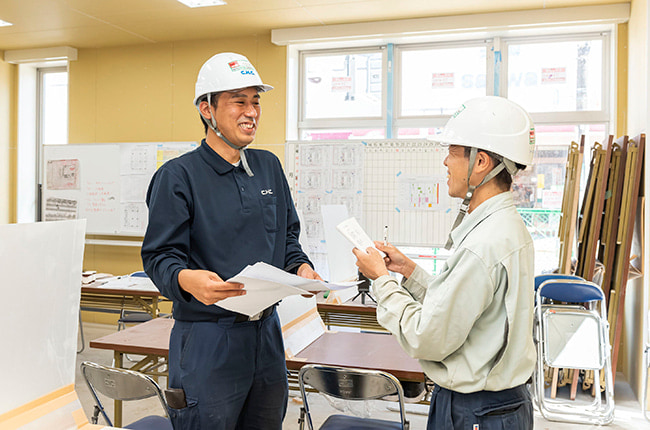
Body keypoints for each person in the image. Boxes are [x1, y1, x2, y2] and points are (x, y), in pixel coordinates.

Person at [141, 52, 321, 430]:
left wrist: (301, 268)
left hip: (267, 335)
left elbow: (287, 237)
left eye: (256, 101)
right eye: (239, 101)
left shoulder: (269, 165)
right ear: (207, 109)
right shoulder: (178, 176)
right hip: (208, 337)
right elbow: (160, 256)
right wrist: (186, 280)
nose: (252, 111)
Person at [353, 96, 536, 429]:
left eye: (452, 152)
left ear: (480, 162)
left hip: (475, 410)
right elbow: (466, 309)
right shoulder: (505, 227)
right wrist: (409, 272)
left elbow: (428, 337)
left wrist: (381, 280)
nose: (445, 162)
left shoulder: (484, 243)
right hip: (499, 406)